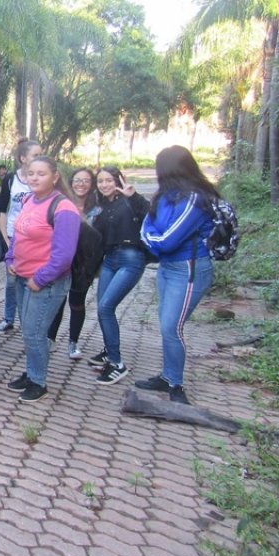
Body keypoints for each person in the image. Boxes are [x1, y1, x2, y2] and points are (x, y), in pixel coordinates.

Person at [136, 146, 217, 405]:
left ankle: (176, 384)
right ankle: (168, 375)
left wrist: (150, 239)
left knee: (172, 326)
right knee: (166, 324)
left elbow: (166, 240)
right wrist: (151, 238)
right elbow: (148, 226)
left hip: (189, 268)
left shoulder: (195, 199)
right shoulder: (164, 196)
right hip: (167, 268)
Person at [5, 156, 80, 403]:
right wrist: (10, 260)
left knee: (35, 332)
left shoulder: (63, 208)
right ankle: (31, 372)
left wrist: (41, 278)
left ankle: (39, 381)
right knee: (28, 331)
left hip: (45, 283)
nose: (34, 178)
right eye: (31, 173)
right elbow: (18, 236)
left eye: (41, 174)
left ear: (55, 177)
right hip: (23, 277)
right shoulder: (29, 200)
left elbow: (64, 255)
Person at [87, 166, 150, 384]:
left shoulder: (129, 201)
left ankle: (117, 363)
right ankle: (108, 350)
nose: (104, 184)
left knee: (106, 306)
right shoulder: (102, 206)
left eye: (109, 180)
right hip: (110, 259)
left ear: (119, 180)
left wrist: (133, 196)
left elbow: (150, 214)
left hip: (131, 259)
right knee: (102, 307)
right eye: (100, 181)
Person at [46, 167, 99, 358]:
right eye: (77, 180)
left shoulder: (98, 207)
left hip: (84, 263)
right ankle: (50, 339)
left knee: (77, 302)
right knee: (58, 300)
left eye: (86, 180)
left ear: (92, 184)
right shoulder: (61, 202)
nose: (81, 184)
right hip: (62, 258)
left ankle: (73, 342)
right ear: (71, 182)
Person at [0, 139, 43, 335]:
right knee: (12, 281)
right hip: (14, 238)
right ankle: (8, 319)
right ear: (23, 158)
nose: (40, 159)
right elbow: (2, 211)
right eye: (35, 155)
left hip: (37, 240)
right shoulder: (11, 179)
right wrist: (6, 238)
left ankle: (30, 323)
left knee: (33, 280)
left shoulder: (43, 180)